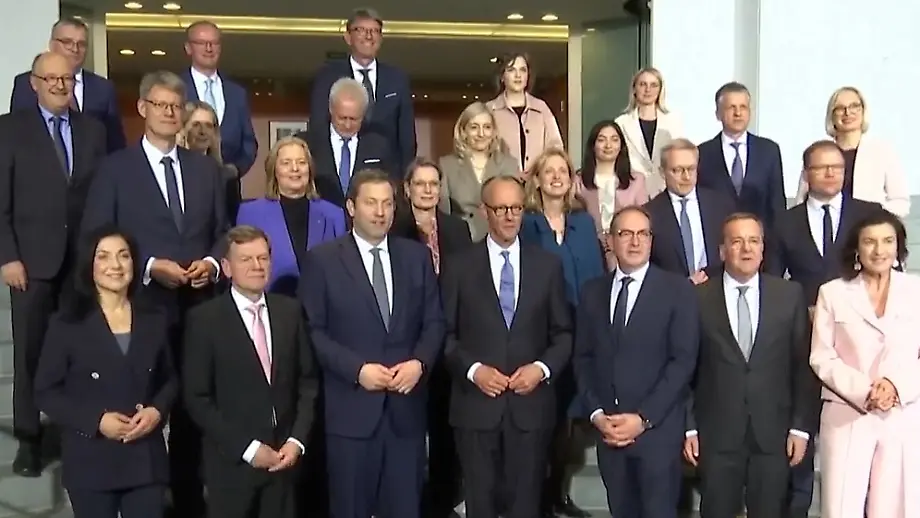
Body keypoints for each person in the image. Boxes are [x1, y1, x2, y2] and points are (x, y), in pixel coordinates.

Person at [81, 70, 227, 517]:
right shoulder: (115, 169)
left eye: (175, 106)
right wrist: (147, 267)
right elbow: (95, 235)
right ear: (142, 108)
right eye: (160, 105)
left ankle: (187, 501)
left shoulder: (206, 170)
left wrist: (212, 264)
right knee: (141, 406)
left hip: (199, 310)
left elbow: (222, 232)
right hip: (139, 308)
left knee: (192, 410)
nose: (169, 112)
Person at [300, 168, 445, 518]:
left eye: (387, 204)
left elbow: (434, 322)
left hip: (405, 416)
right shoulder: (322, 261)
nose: (380, 212)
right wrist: (357, 370)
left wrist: (420, 363)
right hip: (351, 414)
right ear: (351, 207)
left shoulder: (416, 257)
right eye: (371, 203)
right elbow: (313, 331)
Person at [0, 51, 107, 476]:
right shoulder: (10, 129)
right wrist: (7, 256)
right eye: (51, 79)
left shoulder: (93, 130)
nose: (60, 86)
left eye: (66, 79)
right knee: (29, 354)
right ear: (34, 83)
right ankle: (29, 439)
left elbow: (100, 196)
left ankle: (74, 431)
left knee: (80, 352)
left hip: (80, 264)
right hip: (30, 262)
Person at [442, 175, 573, 518]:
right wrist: (474, 371)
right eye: (501, 209)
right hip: (476, 408)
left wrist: (541, 369)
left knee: (525, 506)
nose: (510, 216)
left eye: (516, 208)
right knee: (481, 507)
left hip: (531, 410)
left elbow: (563, 334)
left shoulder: (548, 266)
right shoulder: (458, 266)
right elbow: (444, 334)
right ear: (484, 211)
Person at [34, 225, 176, 518]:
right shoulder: (67, 324)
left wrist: (157, 411)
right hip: (91, 462)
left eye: (124, 255)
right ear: (89, 265)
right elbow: (45, 392)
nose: (116, 265)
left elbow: (170, 378)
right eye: (104, 256)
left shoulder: (155, 317)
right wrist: (96, 420)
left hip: (145, 461)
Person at [683, 212, 816, 518]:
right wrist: (689, 427)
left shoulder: (789, 295)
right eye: (737, 242)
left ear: (763, 248)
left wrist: (800, 428)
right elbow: (686, 369)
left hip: (773, 434)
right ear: (722, 251)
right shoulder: (697, 298)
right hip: (716, 435)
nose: (747, 249)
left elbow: (802, 367)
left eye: (754, 241)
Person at [182, 225, 317, 518]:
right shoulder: (204, 320)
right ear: (227, 268)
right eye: (246, 259)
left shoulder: (290, 312)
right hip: (232, 468)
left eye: (263, 258)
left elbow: (307, 383)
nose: (257, 266)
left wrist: (296, 441)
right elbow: (197, 398)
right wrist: (249, 449)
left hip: (284, 464)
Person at [573, 205, 698, 518]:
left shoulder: (677, 290)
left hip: (657, 435)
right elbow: (583, 358)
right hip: (609, 432)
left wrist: (642, 419)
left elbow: (682, 362)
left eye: (643, 234)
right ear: (610, 241)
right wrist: (597, 414)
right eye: (626, 234)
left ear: (652, 240)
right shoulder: (592, 292)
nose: (635, 241)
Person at [810, 209, 920, 518]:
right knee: (840, 508)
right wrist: (865, 390)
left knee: (896, 508)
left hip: (901, 415)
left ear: (898, 247)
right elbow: (821, 356)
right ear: (857, 248)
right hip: (847, 414)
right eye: (870, 241)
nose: (879, 250)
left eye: (887, 241)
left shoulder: (916, 291)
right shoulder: (832, 293)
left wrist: (896, 385)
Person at [519, 149, 604, 518]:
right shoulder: (525, 223)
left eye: (563, 171)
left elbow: (597, 275)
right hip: (539, 337)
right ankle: (535, 498)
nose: (556, 177)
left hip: (580, 331)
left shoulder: (583, 222)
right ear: (537, 180)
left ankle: (557, 494)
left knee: (568, 421)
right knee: (541, 421)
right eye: (548, 171)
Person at [389, 157, 471, 518]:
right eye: (420, 184)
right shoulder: (394, 228)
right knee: (408, 430)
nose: (427, 190)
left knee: (445, 429)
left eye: (433, 184)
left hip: (448, 342)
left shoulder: (457, 229)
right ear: (407, 189)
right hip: (407, 343)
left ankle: (442, 502)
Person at [236, 136, 346, 296]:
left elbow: (341, 271)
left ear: (310, 169)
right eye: (286, 163)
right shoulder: (250, 213)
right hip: (272, 303)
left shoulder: (334, 214)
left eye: (301, 162)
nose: (295, 169)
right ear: (274, 170)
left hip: (321, 303)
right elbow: (242, 268)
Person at [309, 8, 416, 173]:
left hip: (386, 172)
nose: (369, 36)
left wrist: (404, 177)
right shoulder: (327, 76)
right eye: (361, 30)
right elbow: (318, 127)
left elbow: (407, 136)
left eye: (375, 31)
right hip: (341, 171)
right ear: (348, 37)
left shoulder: (397, 79)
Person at [9, 17, 125, 152]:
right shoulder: (26, 82)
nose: (75, 49)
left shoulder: (103, 88)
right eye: (67, 42)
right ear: (52, 44)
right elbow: (15, 134)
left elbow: (115, 144)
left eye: (81, 44)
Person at [696, 82, 786, 232]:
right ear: (718, 113)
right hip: (718, 238)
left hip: (760, 240)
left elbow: (777, 204)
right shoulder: (702, 153)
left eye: (743, 107)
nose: (738, 113)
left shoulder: (769, 150)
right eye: (731, 107)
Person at [644, 139, 734, 283]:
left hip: (717, 289)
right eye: (677, 170)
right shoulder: (649, 214)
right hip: (672, 292)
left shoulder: (721, 206)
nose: (686, 177)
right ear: (662, 172)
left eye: (691, 169)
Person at [439, 102, 519, 241]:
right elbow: (444, 213)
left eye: (487, 127)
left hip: (499, 240)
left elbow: (515, 210)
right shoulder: (447, 165)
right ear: (463, 131)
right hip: (461, 241)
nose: (481, 134)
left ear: (493, 132)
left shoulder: (509, 164)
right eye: (474, 127)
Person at [486, 51, 563, 173]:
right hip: (502, 179)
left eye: (523, 70)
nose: (518, 75)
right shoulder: (490, 110)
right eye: (511, 70)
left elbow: (555, 147)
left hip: (537, 179)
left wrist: (539, 170)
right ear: (502, 77)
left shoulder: (541, 108)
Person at [614, 67, 683, 197]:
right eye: (642, 84)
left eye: (653, 85)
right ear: (634, 89)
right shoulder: (621, 123)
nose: (648, 90)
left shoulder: (673, 121)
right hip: (632, 192)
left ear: (660, 90)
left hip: (665, 190)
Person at [178, 100, 241, 224]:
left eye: (208, 125)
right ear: (182, 130)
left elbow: (231, 223)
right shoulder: (170, 173)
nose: (203, 131)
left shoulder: (227, 176)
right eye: (196, 125)